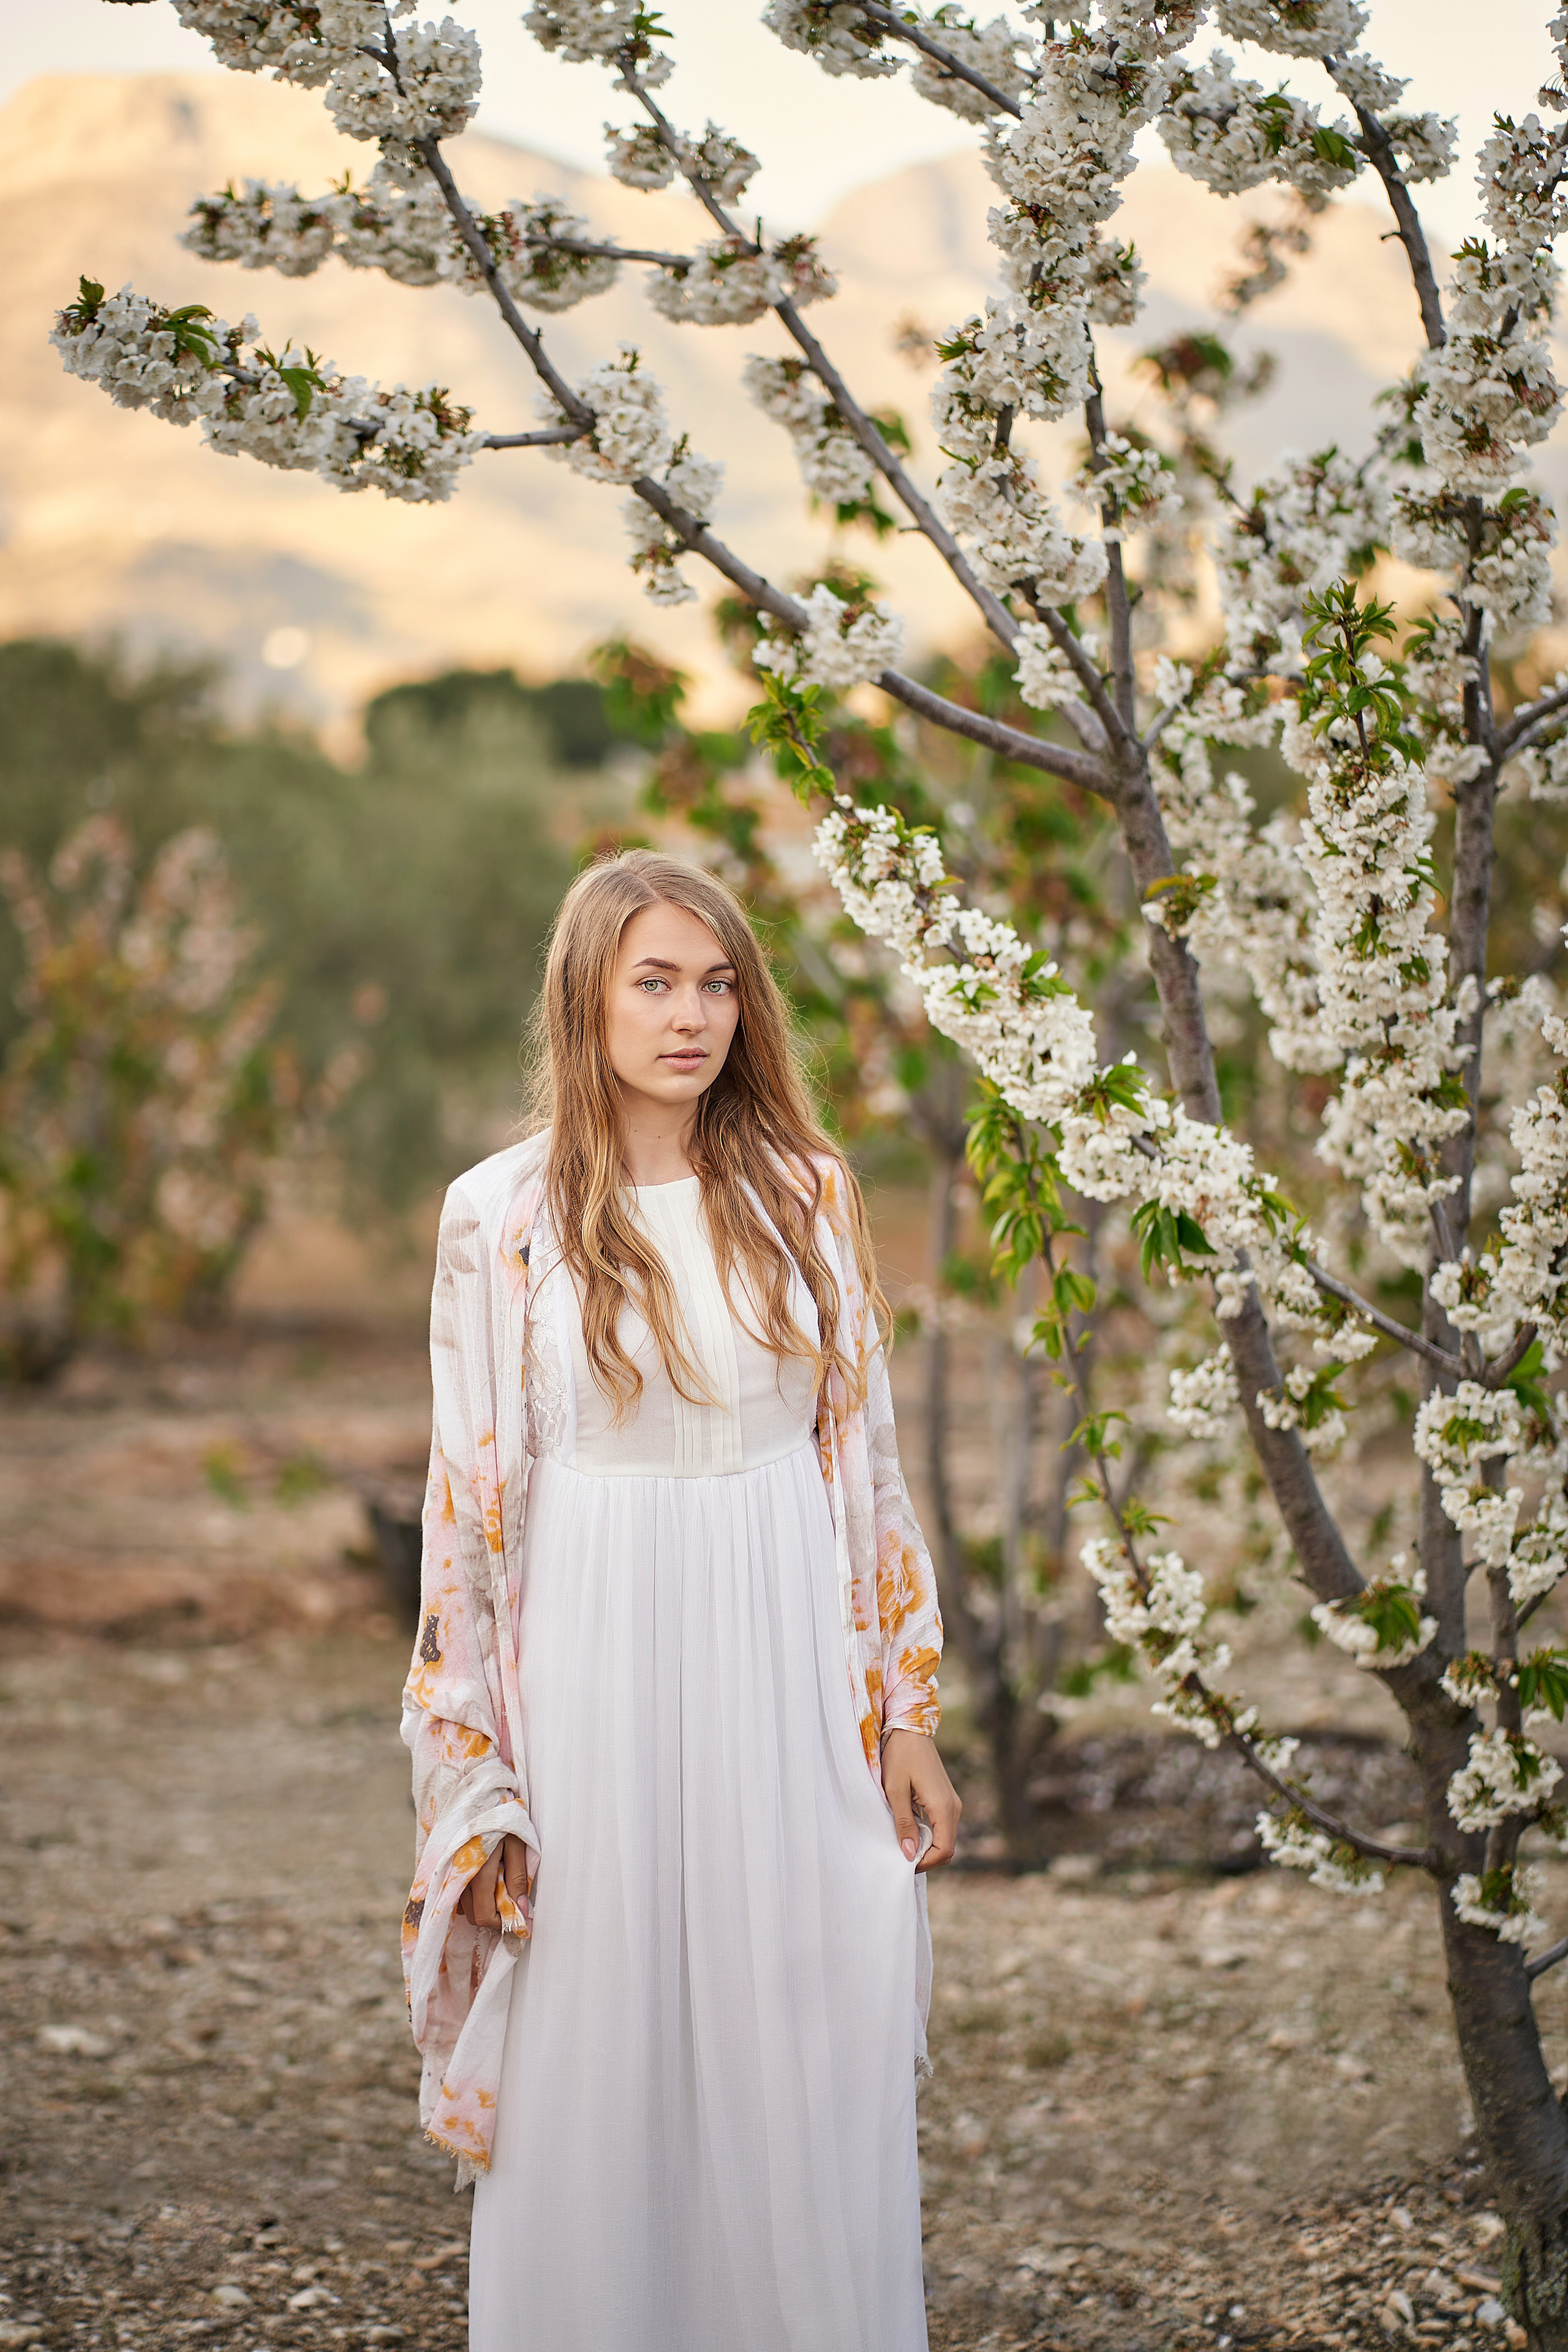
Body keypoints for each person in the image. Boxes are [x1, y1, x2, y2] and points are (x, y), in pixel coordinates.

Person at [399, 849, 960, 2352]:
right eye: (651, 983)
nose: (689, 1017)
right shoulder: (500, 1215)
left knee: (801, 2000)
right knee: (601, 2022)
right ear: (584, 998)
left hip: (786, 1649)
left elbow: (866, 1463)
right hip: (592, 1656)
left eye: (716, 985)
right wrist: (473, 1774)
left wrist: (906, 1708)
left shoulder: (804, 1192)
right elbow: (463, 1514)